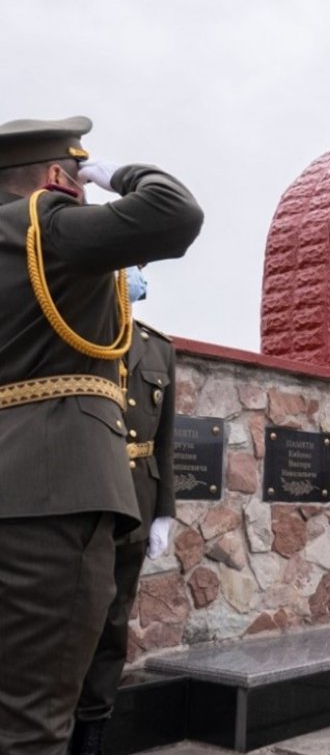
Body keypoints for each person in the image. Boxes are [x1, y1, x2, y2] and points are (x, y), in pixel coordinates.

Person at [0, 116, 202, 754]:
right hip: (57, 491)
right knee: (33, 719)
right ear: (60, 176)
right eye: (77, 179)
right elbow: (174, 210)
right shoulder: (43, 225)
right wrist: (112, 173)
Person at [70, 268, 177, 754]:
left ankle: (91, 732)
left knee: (113, 623)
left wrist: (164, 511)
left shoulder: (159, 348)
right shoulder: (74, 330)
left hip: (136, 499)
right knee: (67, 618)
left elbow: (166, 438)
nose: (128, 279)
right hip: (81, 495)